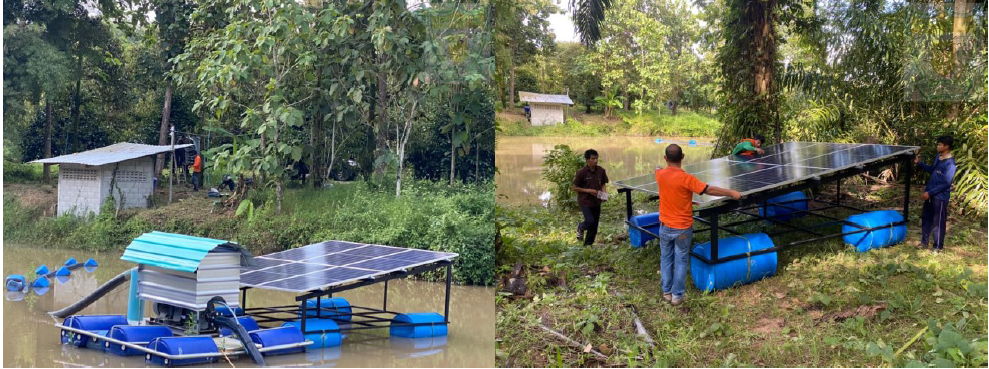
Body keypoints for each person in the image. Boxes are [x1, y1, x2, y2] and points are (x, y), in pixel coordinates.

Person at [655, 144, 742, 305]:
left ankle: (666, 292)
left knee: (666, 259)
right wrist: (731, 192)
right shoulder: (687, 179)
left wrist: (687, 199)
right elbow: (709, 190)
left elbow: (659, 171)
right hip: (682, 227)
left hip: (665, 226)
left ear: (665, 158)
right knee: (681, 260)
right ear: (683, 157)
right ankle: (677, 296)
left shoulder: (660, 175)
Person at [914, 135, 957, 253]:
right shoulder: (939, 157)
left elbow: (946, 183)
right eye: (938, 144)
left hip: (940, 197)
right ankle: (924, 242)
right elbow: (932, 169)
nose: (938, 146)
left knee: (937, 222)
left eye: (940, 145)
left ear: (947, 146)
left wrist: (930, 192)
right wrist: (920, 164)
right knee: (926, 218)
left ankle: (938, 247)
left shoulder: (951, 164)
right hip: (929, 194)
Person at [572, 149, 609, 246]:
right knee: (590, 221)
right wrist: (588, 190)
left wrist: (604, 194)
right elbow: (574, 187)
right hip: (585, 202)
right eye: (593, 159)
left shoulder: (601, 171)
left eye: (596, 158)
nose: (595, 161)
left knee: (594, 226)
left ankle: (588, 246)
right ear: (587, 160)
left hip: (596, 201)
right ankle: (581, 226)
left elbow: (603, 183)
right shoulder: (581, 172)